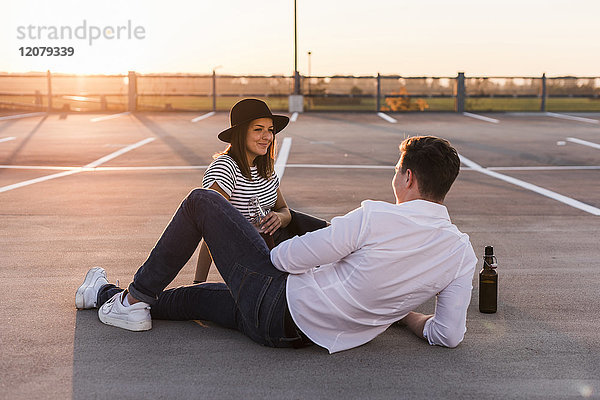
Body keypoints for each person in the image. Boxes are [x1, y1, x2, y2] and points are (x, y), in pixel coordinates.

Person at [75, 135, 477, 354]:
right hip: (288, 335)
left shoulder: (376, 216)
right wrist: (403, 314)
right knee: (191, 301)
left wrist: (254, 241)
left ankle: (132, 300)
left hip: (278, 302)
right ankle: (105, 295)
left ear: (407, 178)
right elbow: (448, 334)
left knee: (204, 201)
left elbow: (287, 257)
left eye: (396, 172)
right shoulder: (461, 254)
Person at [193, 98, 327, 283]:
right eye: (258, 129)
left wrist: (279, 218)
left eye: (270, 130)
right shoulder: (225, 168)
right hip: (251, 255)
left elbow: (285, 211)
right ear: (240, 133)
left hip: (276, 242)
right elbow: (211, 231)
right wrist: (198, 283)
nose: (267, 137)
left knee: (332, 234)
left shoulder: (264, 167)